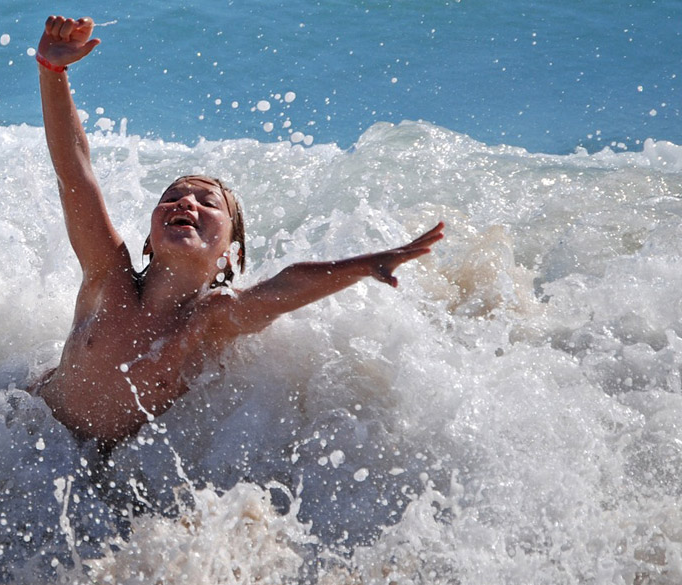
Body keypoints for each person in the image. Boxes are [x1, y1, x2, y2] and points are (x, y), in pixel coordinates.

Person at [32, 16, 445, 448]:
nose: (186, 202)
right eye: (173, 197)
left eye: (208, 203)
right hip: (27, 432)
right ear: (150, 240)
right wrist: (52, 70)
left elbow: (283, 288)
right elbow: (76, 173)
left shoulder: (206, 321)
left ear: (230, 255)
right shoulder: (107, 276)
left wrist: (363, 266)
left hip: (99, 470)